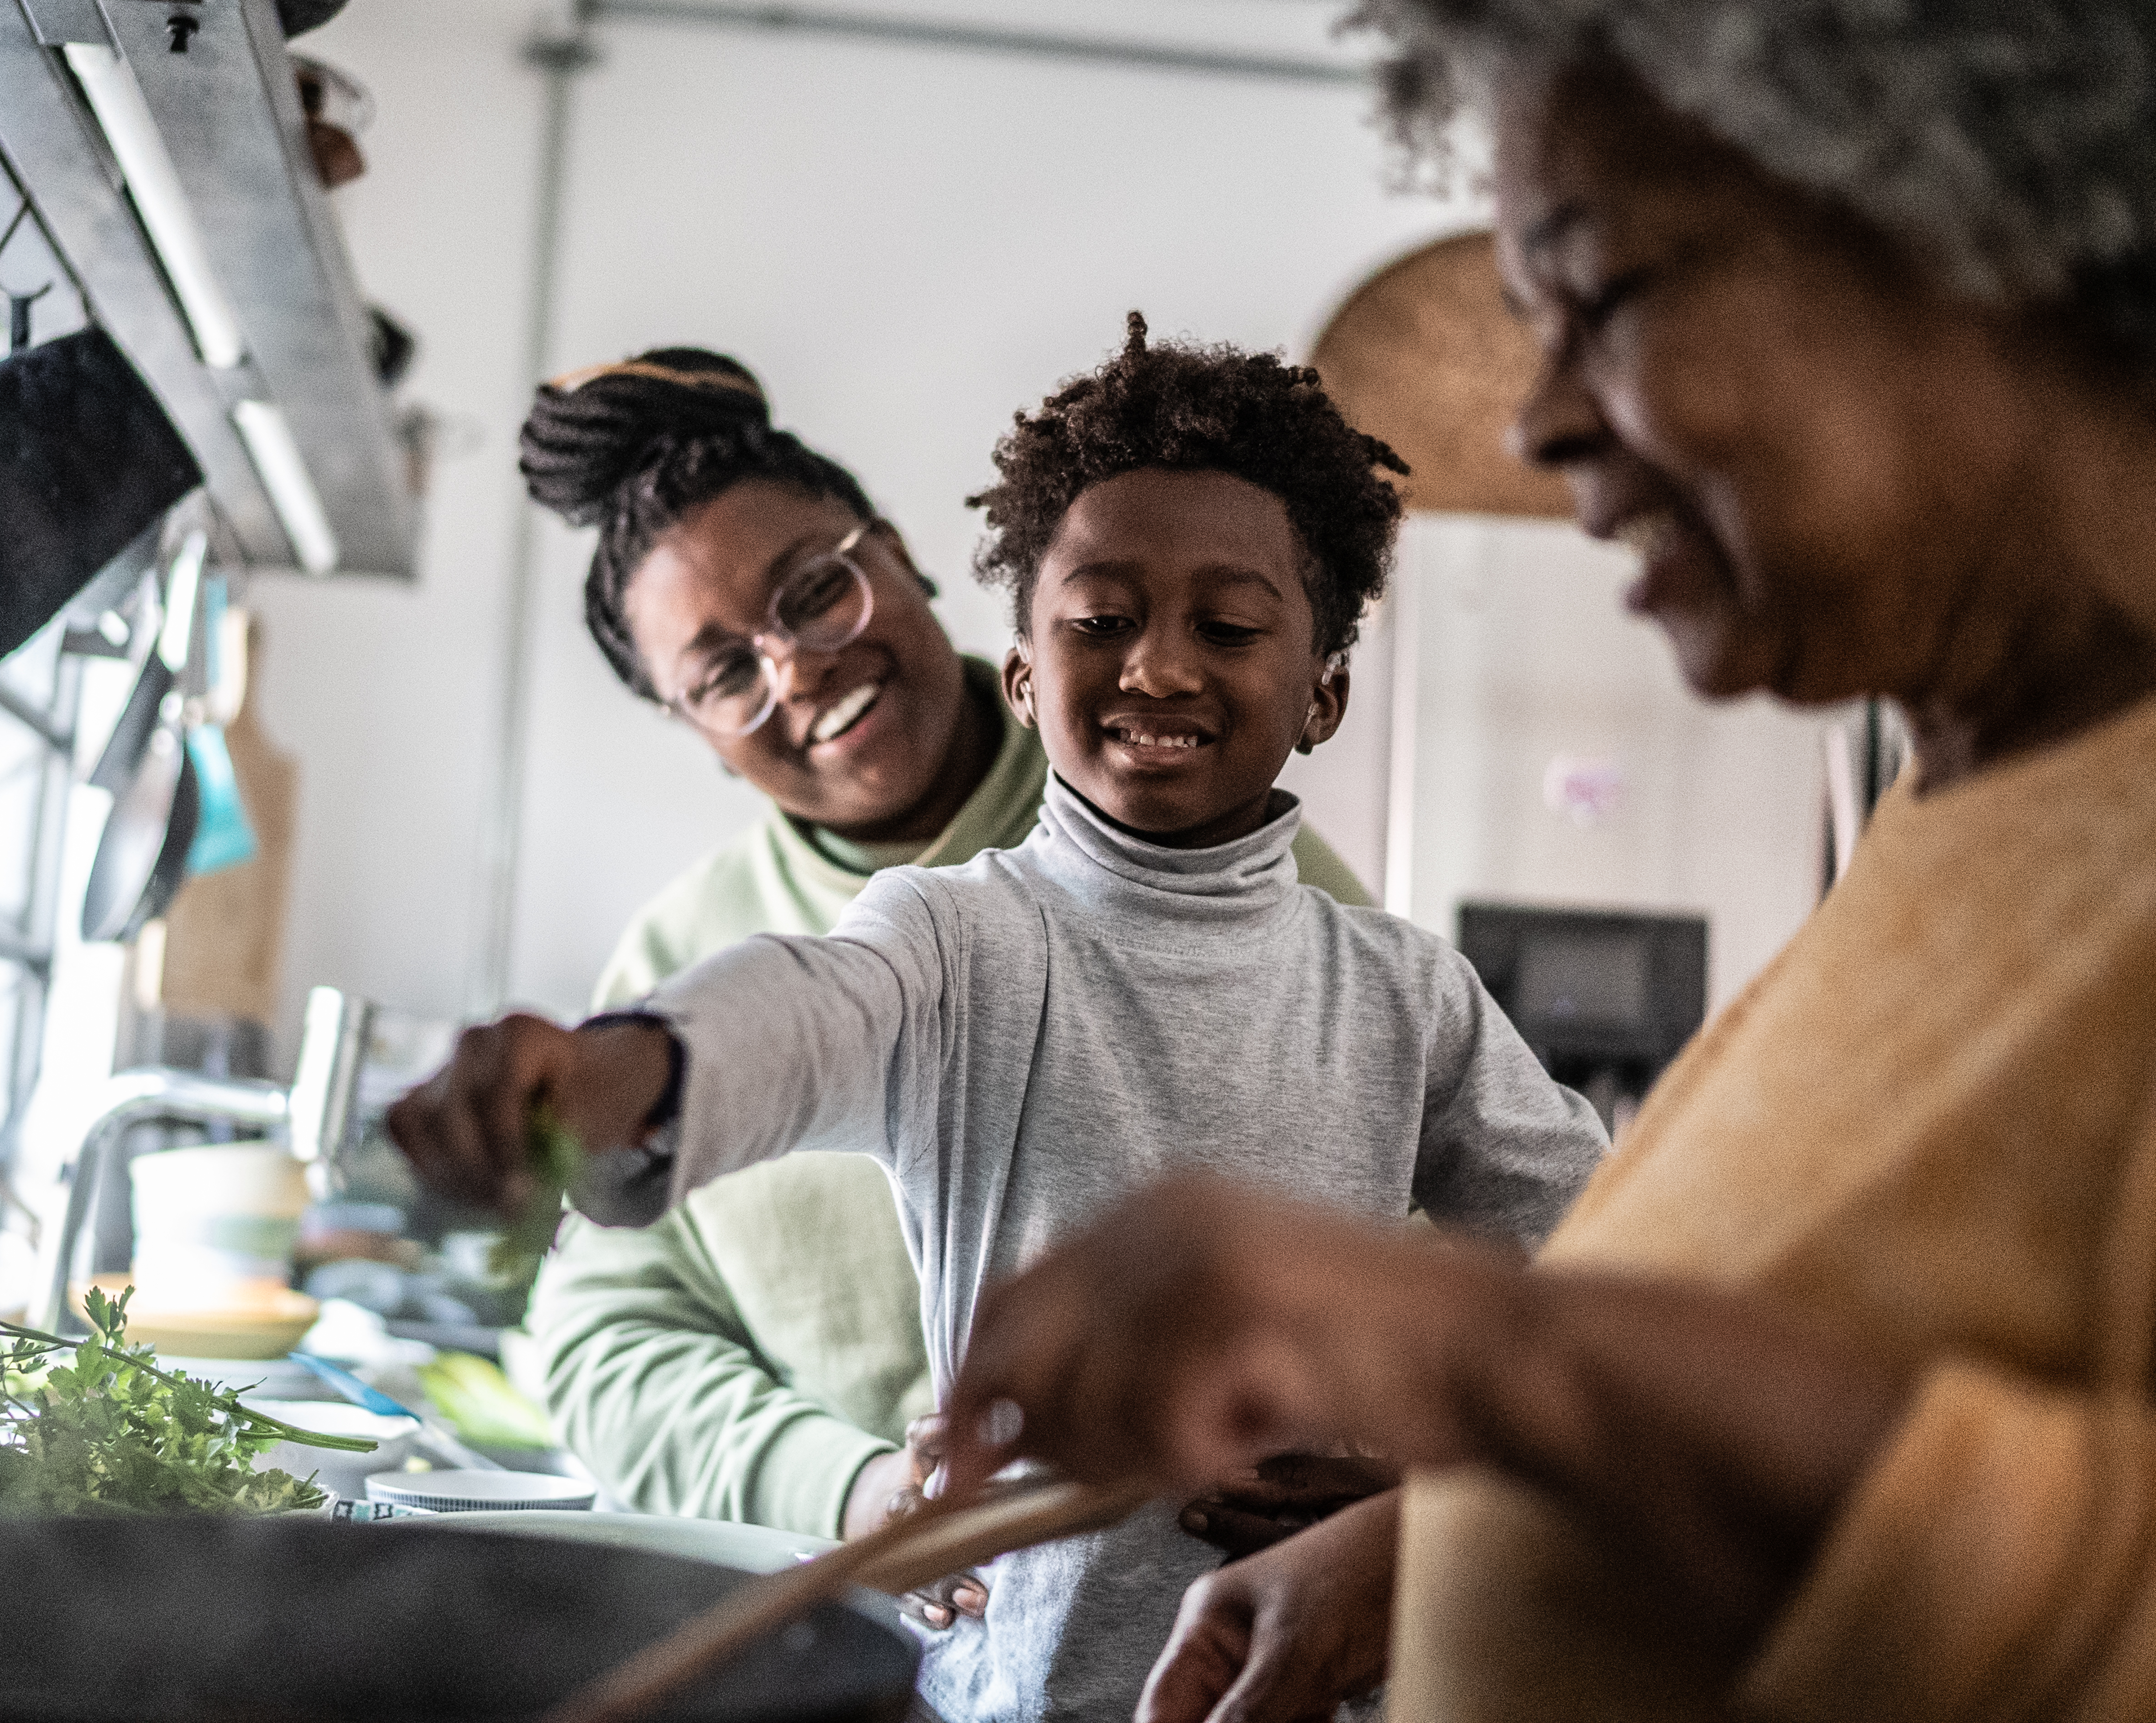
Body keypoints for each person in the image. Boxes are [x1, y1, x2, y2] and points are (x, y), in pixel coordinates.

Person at [933, 0, 2156, 1721]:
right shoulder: (1962, 810)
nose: (1551, 420)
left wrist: (1487, 1360)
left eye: (1613, 293)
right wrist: (1440, 1535)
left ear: (1967, 230)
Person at [396, 321, 1612, 1723]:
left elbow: (1606, 1278)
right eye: (1102, 623)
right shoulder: (951, 936)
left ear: (1323, 690)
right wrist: (601, 1077)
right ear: (1030, 671)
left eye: (1226, 627)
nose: (1158, 670)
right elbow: (792, 1016)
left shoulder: (1408, 990)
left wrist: (1423, 1490)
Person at [515, 351, 1375, 1625]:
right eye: (724, 674)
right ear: (691, 727)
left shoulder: (1223, 846)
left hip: (1217, 1641)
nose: (796, 671)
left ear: (900, 556)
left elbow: (1417, 1243)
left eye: (816, 592)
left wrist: (1353, 1442)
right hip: (885, 1657)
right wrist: (860, 1495)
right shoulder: (680, 967)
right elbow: (599, 1341)